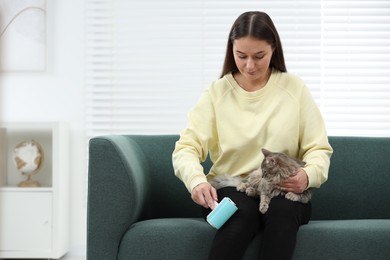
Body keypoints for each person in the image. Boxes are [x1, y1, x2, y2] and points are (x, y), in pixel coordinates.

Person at [172, 11, 333, 260]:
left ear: (273, 50)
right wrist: (196, 181)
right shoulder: (217, 93)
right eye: (241, 56)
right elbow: (186, 147)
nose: (250, 65)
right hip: (232, 186)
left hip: (282, 188)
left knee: (282, 212)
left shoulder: (294, 88)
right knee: (242, 213)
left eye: (259, 56)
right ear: (231, 51)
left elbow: (318, 149)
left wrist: (308, 175)